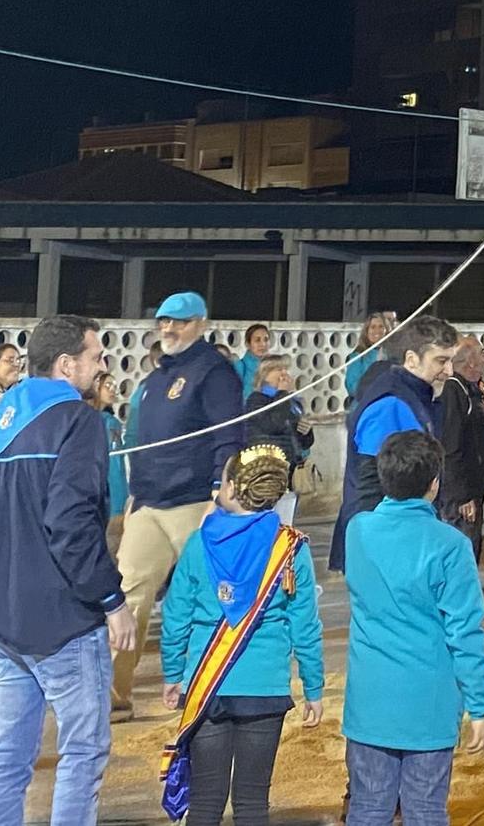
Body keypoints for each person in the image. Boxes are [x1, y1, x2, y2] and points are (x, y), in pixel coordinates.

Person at [0, 314, 136, 826]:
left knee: (11, 751)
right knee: (83, 752)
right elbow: (71, 525)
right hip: (65, 617)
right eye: (96, 356)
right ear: (67, 364)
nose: (104, 364)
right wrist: (112, 600)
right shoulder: (77, 420)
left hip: (3, 620)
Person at [159, 445, 324, 826]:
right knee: (252, 802)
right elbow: (305, 625)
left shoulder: (199, 543)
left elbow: (176, 615)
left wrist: (172, 673)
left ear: (231, 488)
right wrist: (313, 686)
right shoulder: (290, 548)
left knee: (205, 801)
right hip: (265, 689)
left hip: (207, 684)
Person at [342, 431, 484, 826]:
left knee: (368, 808)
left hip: (370, 701)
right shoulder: (450, 545)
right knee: (425, 811)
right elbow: (465, 631)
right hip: (429, 703)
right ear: (434, 483)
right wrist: (479, 705)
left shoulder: (358, 530)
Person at [111, 291, 243, 721]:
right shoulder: (153, 380)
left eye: (179, 322)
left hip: (194, 503)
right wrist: (135, 493)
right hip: (148, 502)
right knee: (128, 595)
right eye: (164, 321)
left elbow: (229, 437)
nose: (169, 329)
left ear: (201, 323)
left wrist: (219, 494)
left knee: (203, 598)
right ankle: (114, 694)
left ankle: (208, 686)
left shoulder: (215, 373)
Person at [331, 313, 459, 573]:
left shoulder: (419, 396)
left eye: (450, 361)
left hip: (406, 532)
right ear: (412, 359)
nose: (449, 371)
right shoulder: (389, 404)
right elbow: (368, 482)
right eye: (441, 361)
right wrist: (368, 549)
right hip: (384, 542)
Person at [437, 337, 484, 555]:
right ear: (470, 362)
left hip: (474, 489)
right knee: (462, 551)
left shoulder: (471, 389)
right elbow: (451, 448)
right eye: (482, 353)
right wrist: (462, 496)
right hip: (461, 495)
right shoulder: (455, 391)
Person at [244, 356, 313, 525]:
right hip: (267, 468)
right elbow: (274, 425)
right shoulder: (256, 400)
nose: (283, 374)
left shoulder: (291, 402)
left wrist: (307, 432)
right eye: (277, 369)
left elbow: (302, 441)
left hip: (289, 468)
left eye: (284, 369)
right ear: (264, 375)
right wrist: (282, 393)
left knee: (286, 519)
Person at [92, 371, 129, 529]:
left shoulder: (83, 419)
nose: (113, 389)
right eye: (108, 385)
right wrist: (119, 506)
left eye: (114, 386)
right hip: (111, 503)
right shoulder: (110, 423)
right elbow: (115, 468)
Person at [345, 312, 397, 403]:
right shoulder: (358, 356)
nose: (377, 331)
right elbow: (352, 387)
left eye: (381, 327)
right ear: (367, 331)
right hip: (364, 404)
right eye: (373, 327)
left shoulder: (393, 354)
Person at [236, 324, 273, 397]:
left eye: (266, 340)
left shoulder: (274, 366)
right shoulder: (240, 366)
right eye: (257, 340)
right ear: (247, 344)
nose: (263, 344)